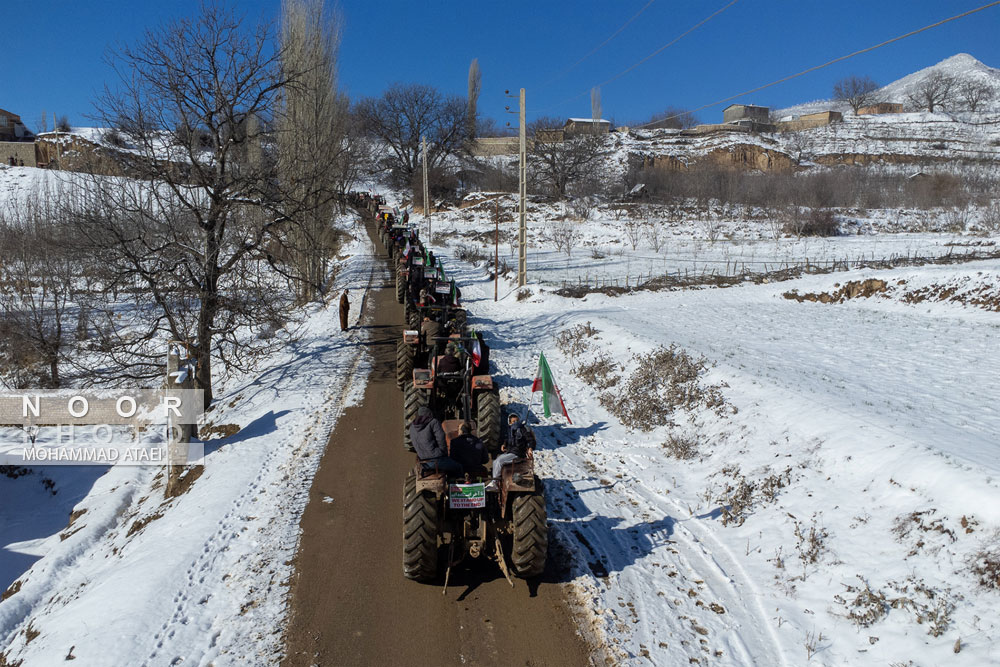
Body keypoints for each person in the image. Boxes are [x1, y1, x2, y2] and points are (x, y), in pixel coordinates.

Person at [409, 406, 463, 476]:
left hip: (423, 463)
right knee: (459, 467)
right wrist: (443, 452)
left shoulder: (412, 427)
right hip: (436, 460)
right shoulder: (433, 422)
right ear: (429, 414)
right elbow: (441, 438)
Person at [491, 414, 535, 483]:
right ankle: (498, 479)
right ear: (510, 423)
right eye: (513, 421)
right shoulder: (510, 430)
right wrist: (504, 444)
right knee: (495, 462)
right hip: (511, 451)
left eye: (517, 420)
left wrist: (530, 448)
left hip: (518, 453)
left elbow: (531, 440)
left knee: (499, 462)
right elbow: (507, 439)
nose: (515, 423)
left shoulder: (523, 429)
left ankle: (495, 483)